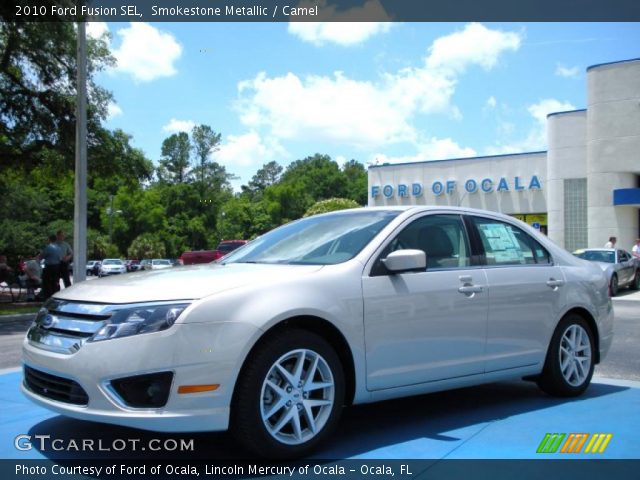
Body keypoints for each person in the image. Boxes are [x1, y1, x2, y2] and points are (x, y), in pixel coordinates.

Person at [39, 234, 62, 300]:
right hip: (57, 266)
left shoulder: (48, 247)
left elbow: (42, 256)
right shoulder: (59, 248)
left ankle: (47, 296)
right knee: (55, 282)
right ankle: (55, 295)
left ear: (49, 239)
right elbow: (60, 258)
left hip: (49, 267)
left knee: (46, 282)